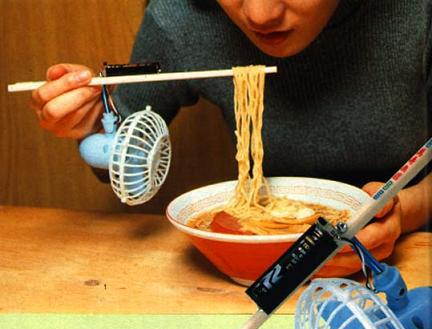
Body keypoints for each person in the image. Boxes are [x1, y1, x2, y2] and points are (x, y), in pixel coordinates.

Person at [30, 0, 431, 276]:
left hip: (409, 261)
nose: (260, 14)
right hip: (253, 269)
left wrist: (405, 211)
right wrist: (90, 125)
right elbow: (121, 150)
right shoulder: (184, 17)